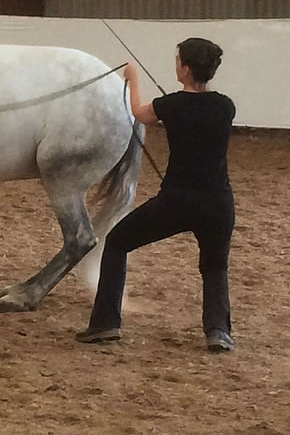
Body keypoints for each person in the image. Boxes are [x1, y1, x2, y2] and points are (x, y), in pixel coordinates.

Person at [76, 37, 236, 352]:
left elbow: (139, 112)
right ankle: (218, 331)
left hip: (177, 201)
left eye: (178, 61)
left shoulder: (171, 105)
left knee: (118, 243)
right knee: (215, 266)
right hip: (219, 203)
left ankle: (105, 323)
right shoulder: (225, 105)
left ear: (186, 69)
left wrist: (133, 80)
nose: (176, 65)